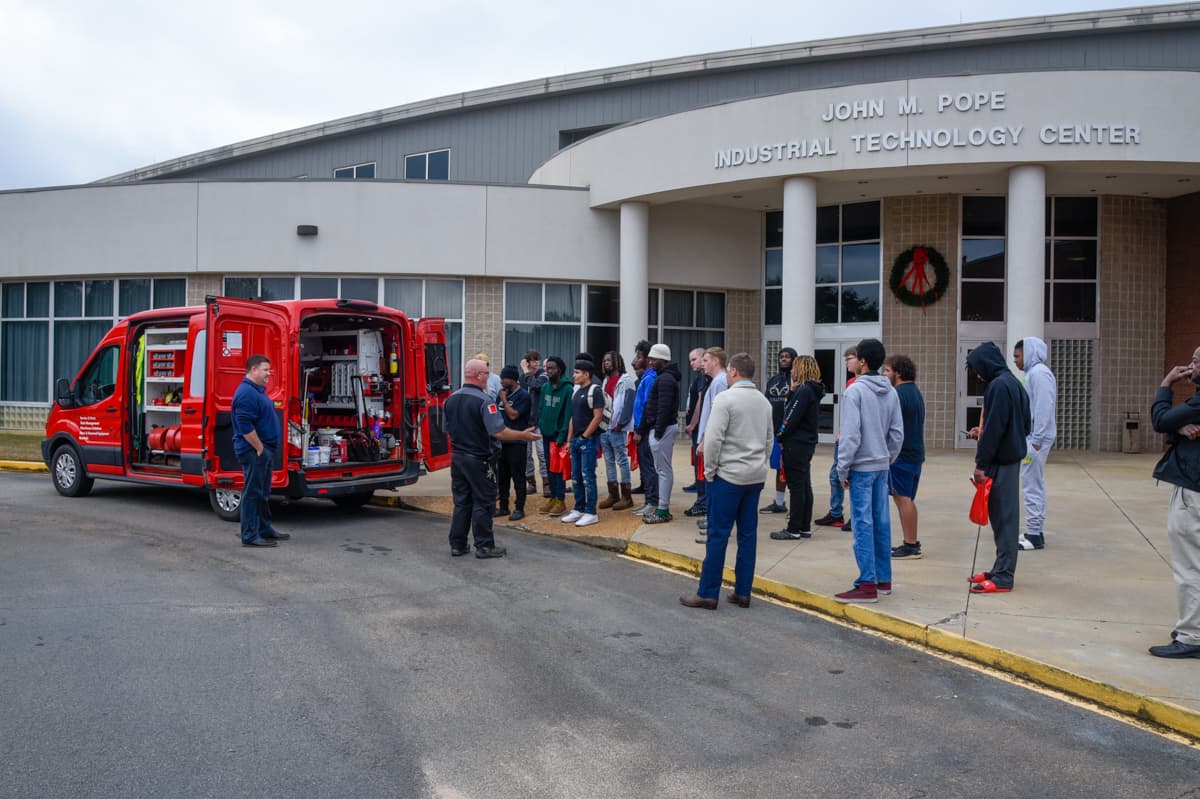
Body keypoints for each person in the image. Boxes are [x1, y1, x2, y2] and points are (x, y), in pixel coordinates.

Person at [680, 353, 775, 610]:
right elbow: (769, 440)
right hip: (754, 476)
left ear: (732, 371)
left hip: (728, 476)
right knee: (747, 534)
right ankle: (743, 591)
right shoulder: (764, 402)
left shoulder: (725, 399)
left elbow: (713, 440)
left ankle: (708, 592)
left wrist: (710, 472)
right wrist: (761, 465)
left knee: (718, 535)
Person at [444, 359, 541, 558]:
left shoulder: (451, 399)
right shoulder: (484, 401)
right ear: (479, 375)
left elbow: (446, 429)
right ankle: (484, 545)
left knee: (462, 501)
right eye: (486, 373)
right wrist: (522, 435)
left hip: (458, 458)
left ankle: (458, 544)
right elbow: (499, 432)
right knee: (484, 501)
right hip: (479, 459)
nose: (489, 377)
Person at [834, 338, 903, 604]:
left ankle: (866, 584)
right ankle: (882, 579)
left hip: (862, 468)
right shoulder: (891, 391)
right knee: (881, 522)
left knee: (862, 524)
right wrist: (886, 457)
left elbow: (850, 435)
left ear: (862, 361)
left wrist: (842, 469)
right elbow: (897, 434)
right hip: (882, 465)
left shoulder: (856, 392)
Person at [965, 341, 1031, 594]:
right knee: (1002, 517)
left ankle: (1004, 577)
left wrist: (982, 463)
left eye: (977, 369)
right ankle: (1000, 567)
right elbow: (1026, 423)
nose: (977, 375)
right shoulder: (1014, 383)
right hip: (1010, 459)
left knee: (1004, 519)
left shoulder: (998, 386)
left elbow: (994, 428)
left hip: (1000, 463)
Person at [1148, 348, 1200, 658]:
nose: (1189, 365)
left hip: (1192, 492)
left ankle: (1191, 636)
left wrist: (1166, 383)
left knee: (1189, 566)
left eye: (1196, 362)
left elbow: (1158, 420)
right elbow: (1168, 429)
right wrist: (1178, 429)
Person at [231, 354, 287, 548]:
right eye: (265, 370)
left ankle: (264, 529)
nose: (268, 374)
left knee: (263, 492)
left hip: (263, 450)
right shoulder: (246, 393)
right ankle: (249, 535)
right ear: (253, 370)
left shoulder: (257, 391)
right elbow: (244, 425)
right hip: (254, 451)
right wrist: (260, 448)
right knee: (252, 493)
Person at [770, 355, 824, 540]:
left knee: (796, 487)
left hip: (796, 444)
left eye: (795, 368)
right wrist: (791, 391)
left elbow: (790, 417)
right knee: (804, 485)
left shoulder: (805, 391)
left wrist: (780, 435)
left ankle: (793, 528)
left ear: (801, 369)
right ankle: (804, 527)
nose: (791, 371)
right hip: (806, 444)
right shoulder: (810, 390)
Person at [1014, 337, 1057, 551]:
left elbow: (1043, 407)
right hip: (1032, 437)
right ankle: (1034, 529)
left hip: (1036, 439)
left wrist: (1037, 440)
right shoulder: (1032, 374)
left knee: (1031, 483)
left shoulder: (1039, 374)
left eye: (1018, 355)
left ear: (1029, 352)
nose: (1016, 361)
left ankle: (1034, 535)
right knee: (1031, 482)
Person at [815, 346, 862, 531]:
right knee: (835, 476)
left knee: (852, 478)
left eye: (849, 358)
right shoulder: (850, 382)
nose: (846, 362)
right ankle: (836, 514)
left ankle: (854, 516)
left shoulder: (861, 385)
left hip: (851, 439)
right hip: (843, 436)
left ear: (861, 360)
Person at [884, 355, 926, 560]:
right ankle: (911, 542)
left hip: (902, 455)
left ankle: (911, 545)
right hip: (915, 453)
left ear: (898, 373)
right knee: (906, 498)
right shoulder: (915, 392)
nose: (885, 374)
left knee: (903, 498)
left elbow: (889, 425)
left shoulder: (898, 394)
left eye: (887, 371)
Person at [636, 343, 681, 523]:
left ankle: (662, 510)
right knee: (661, 469)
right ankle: (661, 507)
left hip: (661, 430)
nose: (650, 361)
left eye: (654, 359)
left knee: (663, 470)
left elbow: (663, 407)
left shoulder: (665, 380)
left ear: (663, 360)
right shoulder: (663, 378)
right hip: (659, 429)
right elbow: (652, 406)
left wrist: (658, 431)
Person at [562, 359, 605, 527]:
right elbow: (573, 417)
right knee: (576, 476)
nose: (574, 375)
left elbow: (598, 416)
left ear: (586, 374)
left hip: (589, 440)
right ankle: (578, 508)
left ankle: (590, 512)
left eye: (577, 372)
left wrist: (585, 437)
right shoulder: (576, 391)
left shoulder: (595, 391)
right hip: (576, 440)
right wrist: (570, 439)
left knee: (588, 476)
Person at [693, 347, 728, 540]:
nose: (702, 364)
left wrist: (706, 440)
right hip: (708, 439)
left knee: (714, 484)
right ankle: (712, 519)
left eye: (705, 360)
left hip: (712, 442)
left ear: (715, 361)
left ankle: (715, 524)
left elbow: (717, 415)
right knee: (711, 484)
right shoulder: (716, 382)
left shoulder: (720, 382)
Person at [599, 350, 636, 511]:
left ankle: (626, 497)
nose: (606, 362)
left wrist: (620, 425)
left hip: (617, 429)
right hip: (604, 428)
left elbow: (628, 405)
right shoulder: (605, 380)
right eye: (604, 360)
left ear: (617, 361)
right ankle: (613, 495)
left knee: (621, 460)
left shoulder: (626, 380)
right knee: (608, 462)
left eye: (609, 360)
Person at [762, 347, 797, 514]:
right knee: (778, 467)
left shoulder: (797, 380)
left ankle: (798, 503)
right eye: (781, 357)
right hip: (774, 431)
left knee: (792, 468)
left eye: (787, 357)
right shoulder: (773, 380)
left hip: (791, 432)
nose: (783, 359)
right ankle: (779, 502)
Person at [537, 356, 573, 517]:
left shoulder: (567, 389)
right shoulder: (545, 387)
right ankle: (552, 497)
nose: (549, 371)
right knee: (549, 467)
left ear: (559, 369)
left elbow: (568, 415)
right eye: (547, 368)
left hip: (559, 435)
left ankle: (560, 499)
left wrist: (562, 436)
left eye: (552, 368)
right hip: (546, 433)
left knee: (558, 468)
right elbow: (541, 408)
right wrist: (540, 426)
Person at [495, 365, 532, 521]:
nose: (501, 381)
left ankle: (519, 508)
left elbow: (514, 415)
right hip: (502, 442)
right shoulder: (502, 394)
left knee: (518, 477)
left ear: (512, 379)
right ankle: (503, 507)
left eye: (504, 378)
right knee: (502, 477)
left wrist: (504, 400)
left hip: (517, 442)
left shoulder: (523, 395)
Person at [630, 341, 658, 512]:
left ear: (648, 359)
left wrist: (640, 430)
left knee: (649, 468)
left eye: (639, 357)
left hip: (645, 430)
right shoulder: (645, 377)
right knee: (645, 466)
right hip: (641, 427)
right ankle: (648, 501)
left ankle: (653, 502)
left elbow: (648, 406)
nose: (635, 361)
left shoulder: (651, 378)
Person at [520, 349, 550, 498]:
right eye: (533, 360)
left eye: (538, 360)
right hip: (525, 422)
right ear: (527, 361)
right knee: (526, 455)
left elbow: (537, 386)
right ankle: (531, 483)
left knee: (542, 454)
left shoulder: (542, 376)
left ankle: (547, 484)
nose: (536, 363)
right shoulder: (522, 378)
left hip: (538, 422)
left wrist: (526, 371)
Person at [682, 347, 710, 505]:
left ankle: (702, 499)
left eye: (694, 359)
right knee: (697, 461)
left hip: (699, 427)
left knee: (701, 463)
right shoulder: (699, 378)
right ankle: (700, 491)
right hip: (697, 427)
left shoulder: (702, 378)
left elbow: (701, 401)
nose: (691, 363)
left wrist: (692, 424)